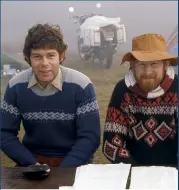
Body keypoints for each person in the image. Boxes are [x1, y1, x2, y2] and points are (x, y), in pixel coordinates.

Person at [1, 23, 101, 167]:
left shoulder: (81, 85)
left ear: (61, 56)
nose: (44, 63)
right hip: (32, 162)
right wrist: (31, 164)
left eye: (50, 55)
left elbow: (90, 137)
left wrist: (63, 170)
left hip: (75, 163)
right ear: (27, 57)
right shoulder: (15, 86)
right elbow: (4, 134)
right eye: (37, 56)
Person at [102, 33, 178, 167]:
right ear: (132, 65)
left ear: (165, 65)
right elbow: (111, 145)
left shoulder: (177, 88)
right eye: (141, 64)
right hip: (133, 171)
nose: (148, 72)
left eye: (154, 64)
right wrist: (137, 173)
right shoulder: (123, 91)